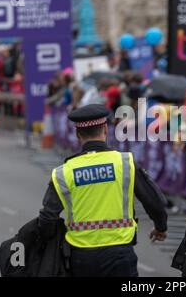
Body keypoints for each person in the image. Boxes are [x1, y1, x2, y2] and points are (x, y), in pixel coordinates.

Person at [37, 104, 168, 277]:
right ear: (106, 129)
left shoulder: (63, 173)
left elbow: (47, 218)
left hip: (81, 257)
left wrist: (49, 243)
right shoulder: (125, 163)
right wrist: (160, 227)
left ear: (77, 135)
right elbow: (154, 201)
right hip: (120, 253)